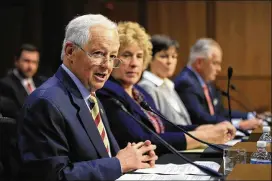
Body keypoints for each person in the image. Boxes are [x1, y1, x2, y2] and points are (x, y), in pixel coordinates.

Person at [17, 14, 158, 181]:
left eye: (112, 57)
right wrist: (119, 164)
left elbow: (103, 157)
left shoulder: (90, 96)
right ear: (70, 52)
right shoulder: (46, 102)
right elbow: (55, 176)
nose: (107, 65)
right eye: (98, 54)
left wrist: (134, 156)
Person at [97, 22, 236, 155]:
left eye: (139, 56)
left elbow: (165, 127)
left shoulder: (139, 92)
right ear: (112, 58)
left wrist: (202, 128)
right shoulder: (108, 92)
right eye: (126, 55)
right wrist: (202, 136)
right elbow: (141, 139)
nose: (134, 63)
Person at [174, 38, 263, 130]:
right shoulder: (186, 82)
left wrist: (250, 115)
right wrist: (238, 124)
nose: (219, 69)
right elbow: (200, 118)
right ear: (199, 63)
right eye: (215, 63)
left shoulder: (205, 82)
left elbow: (219, 112)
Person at [0, 44, 46, 119]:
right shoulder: (5, 84)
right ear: (16, 61)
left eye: (34, 62)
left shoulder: (43, 82)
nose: (30, 67)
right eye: (27, 61)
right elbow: (17, 113)